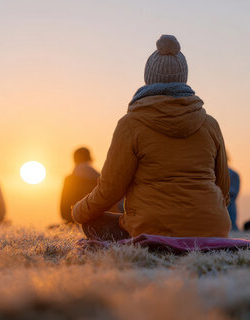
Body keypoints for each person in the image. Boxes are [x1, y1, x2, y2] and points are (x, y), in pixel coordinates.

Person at [72, 34, 231, 240]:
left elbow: (110, 190)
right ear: (183, 77)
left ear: (148, 77)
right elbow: (224, 188)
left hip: (150, 229)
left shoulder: (131, 124)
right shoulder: (210, 124)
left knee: (94, 223)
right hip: (213, 229)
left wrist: (78, 212)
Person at [60, 147, 122, 223]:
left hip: (77, 220)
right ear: (89, 158)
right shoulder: (101, 178)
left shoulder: (70, 179)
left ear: (74, 160)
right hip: (106, 219)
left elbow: (64, 212)